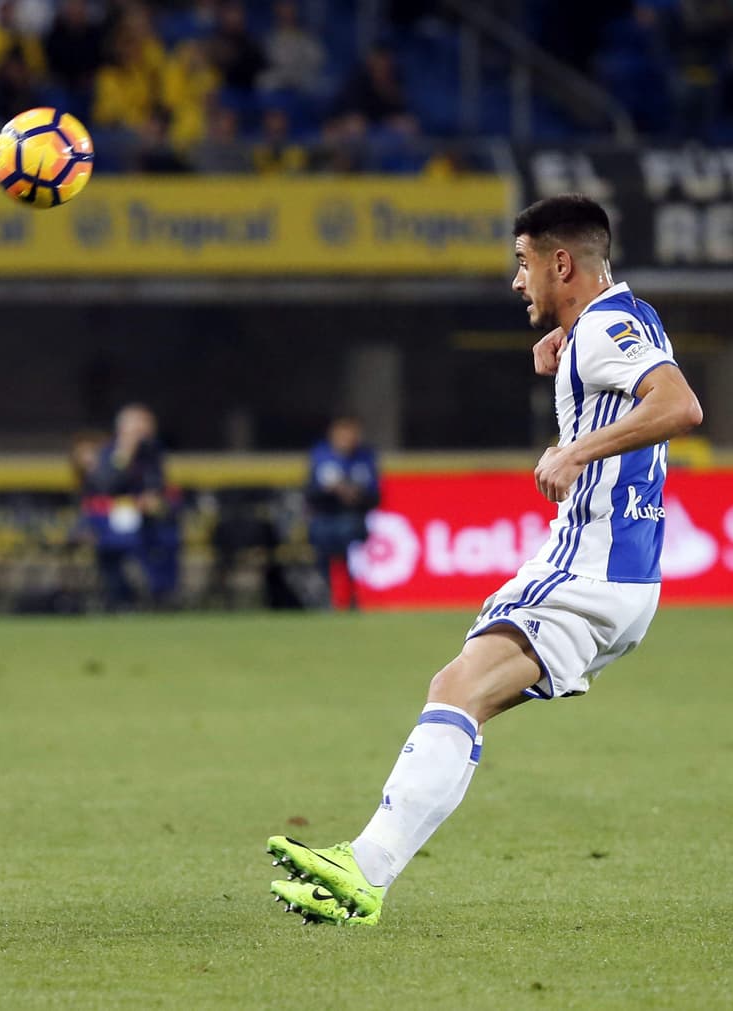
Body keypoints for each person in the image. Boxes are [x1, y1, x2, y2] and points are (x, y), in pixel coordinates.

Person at [267, 194, 703, 926]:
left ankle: (365, 870)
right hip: (627, 580)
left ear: (561, 262)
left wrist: (575, 447)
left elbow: (682, 405)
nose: (516, 280)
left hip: (585, 568)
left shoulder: (602, 329)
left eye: (523, 262)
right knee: (460, 690)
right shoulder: (621, 316)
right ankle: (363, 871)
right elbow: (634, 362)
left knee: (455, 688)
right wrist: (566, 346)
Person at [80, 404, 180, 609]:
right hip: (110, 518)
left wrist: (152, 498)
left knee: (168, 537)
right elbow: (105, 486)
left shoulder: (152, 453)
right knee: (114, 546)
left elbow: (156, 483)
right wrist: (125, 453)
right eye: (139, 427)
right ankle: (121, 597)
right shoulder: (108, 453)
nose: (144, 431)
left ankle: (162, 593)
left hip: (146, 518)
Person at [305, 414, 378, 610]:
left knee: (348, 532)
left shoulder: (364, 457)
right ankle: (327, 594)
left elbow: (375, 496)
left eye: (351, 432)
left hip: (353, 517)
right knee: (320, 535)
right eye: (342, 432)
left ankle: (352, 595)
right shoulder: (321, 455)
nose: (347, 437)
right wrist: (332, 492)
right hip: (326, 516)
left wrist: (356, 495)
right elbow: (310, 493)